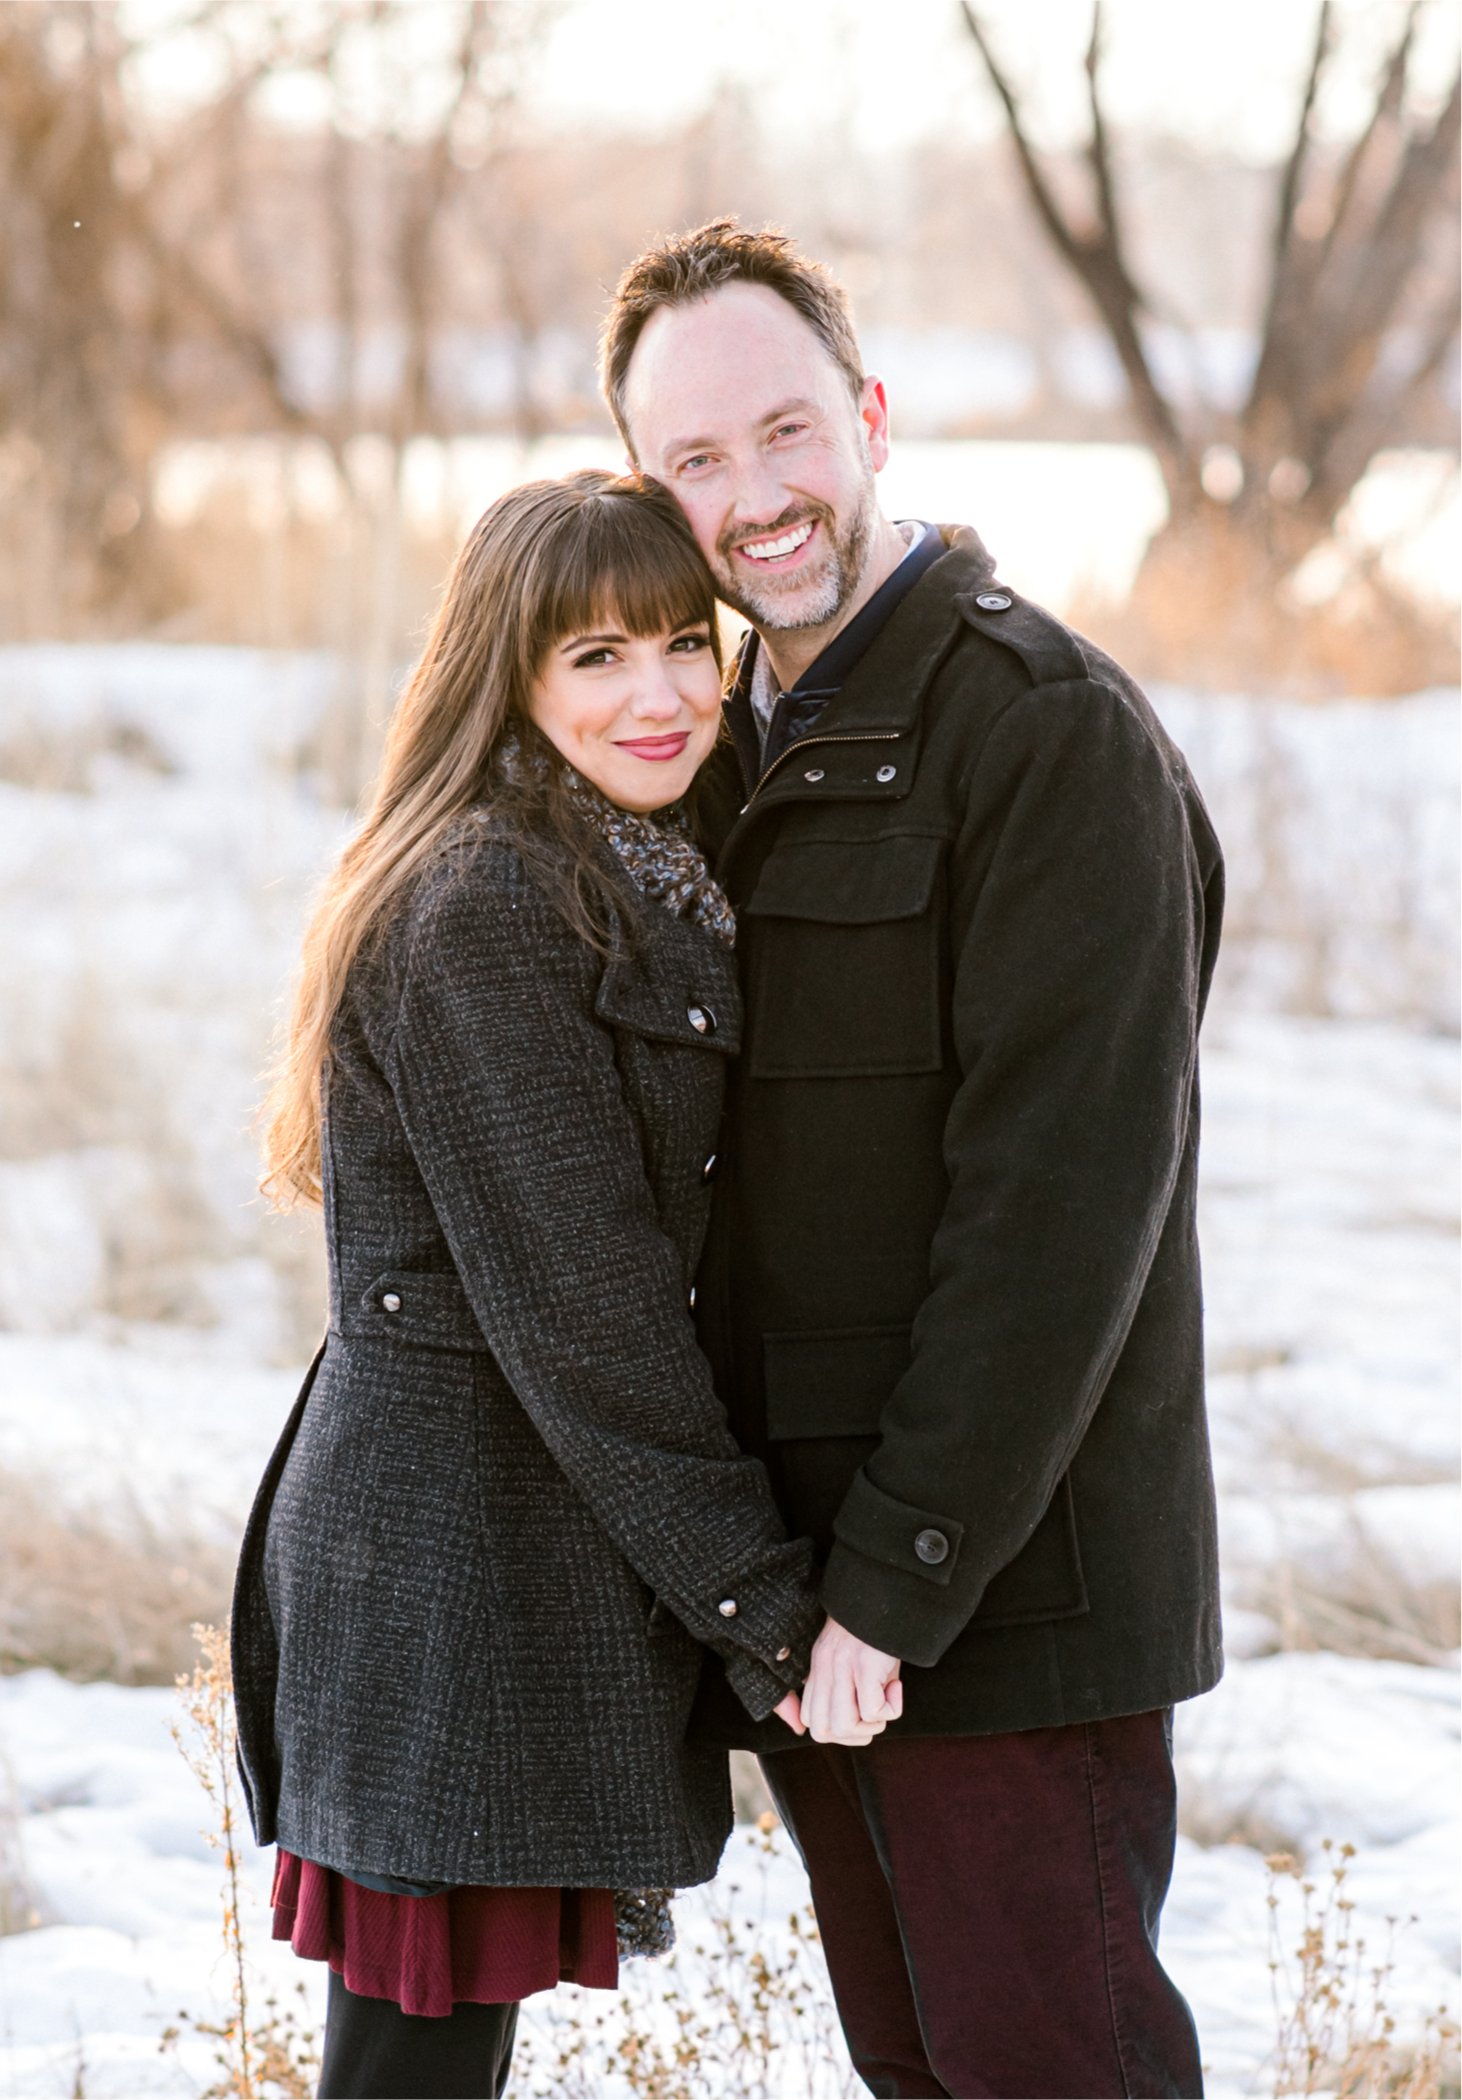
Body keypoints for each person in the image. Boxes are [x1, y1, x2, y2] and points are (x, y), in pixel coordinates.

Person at [601, 218, 1224, 2099]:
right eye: (694, 463)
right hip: (816, 1608)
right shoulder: (711, 746)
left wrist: (901, 1579)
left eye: (786, 432)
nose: (755, 498)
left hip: (995, 1601)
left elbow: (1058, 1220)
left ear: (869, 417)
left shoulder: (1043, 738)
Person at [230, 470, 826, 2100]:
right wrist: (761, 1612)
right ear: (510, 674)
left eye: (685, 645)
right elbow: (589, 1310)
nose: (659, 697)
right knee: (411, 2069)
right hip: (444, 1557)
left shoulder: (643, 861)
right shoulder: (480, 902)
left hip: (509, 1535)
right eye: (596, 659)